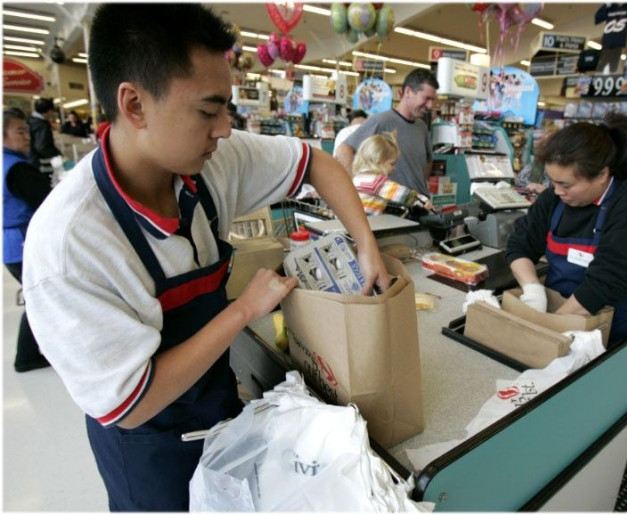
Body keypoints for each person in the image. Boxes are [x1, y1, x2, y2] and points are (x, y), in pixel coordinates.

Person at [22, 4, 390, 511]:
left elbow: (318, 164)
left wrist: (366, 244)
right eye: (207, 110)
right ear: (134, 105)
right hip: (149, 450)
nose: (224, 128)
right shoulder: (71, 245)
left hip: (218, 411)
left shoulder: (211, 162)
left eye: (227, 110)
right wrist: (242, 310)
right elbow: (132, 401)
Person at [506, 112, 627, 347]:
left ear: (602, 174)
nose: (557, 191)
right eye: (552, 181)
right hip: (561, 314)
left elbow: (606, 281)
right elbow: (520, 244)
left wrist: (548, 330)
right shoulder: (554, 198)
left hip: (615, 335)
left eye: (565, 184)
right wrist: (533, 291)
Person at [335, 69, 438, 198]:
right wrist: (354, 191)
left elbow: (428, 161)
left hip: (419, 205)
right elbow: (344, 150)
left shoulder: (421, 127)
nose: (430, 106)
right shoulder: (381, 121)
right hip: (392, 209)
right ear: (408, 92)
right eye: (427, 98)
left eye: (433, 100)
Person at [3, 108, 53, 373]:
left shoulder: (6, 163)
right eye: (20, 131)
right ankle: (26, 356)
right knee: (39, 298)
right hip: (22, 244)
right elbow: (49, 203)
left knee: (38, 297)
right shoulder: (18, 169)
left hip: (11, 245)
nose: (27, 137)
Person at [352, 132, 432, 215]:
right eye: (392, 164)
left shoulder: (357, 179)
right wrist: (423, 201)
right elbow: (402, 194)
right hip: (371, 223)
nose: (394, 168)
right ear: (378, 160)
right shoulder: (377, 183)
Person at [27, 97, 61, 175]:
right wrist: (58, 154)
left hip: (30, 160)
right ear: (49, 111)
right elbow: (42, 147)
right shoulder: (42, 125)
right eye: (53, 111)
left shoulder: (30, 119)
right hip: (40, 163)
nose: (53, 113)